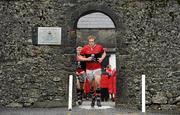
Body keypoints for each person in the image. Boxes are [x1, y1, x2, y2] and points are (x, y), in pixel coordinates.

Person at [80, 35, 106, 107]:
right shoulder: (85, 48)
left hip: (97, 68)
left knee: (97, 82)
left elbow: (104, 53)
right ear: (88, 41)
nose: (91, 43)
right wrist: (86, 59)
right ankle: (93, 97)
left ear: (94, 41)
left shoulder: (99, 47)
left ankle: (98, 99)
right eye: (90, 41)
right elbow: (80, 56)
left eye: (92, 41)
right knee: (91, 86)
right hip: (89, 69)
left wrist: (101, 59)